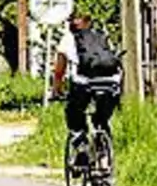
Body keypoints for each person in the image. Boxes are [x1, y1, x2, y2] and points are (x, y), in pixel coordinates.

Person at [52, 11, 123, 165]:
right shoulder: (102, 36)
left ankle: (82, 146)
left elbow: (59, 70)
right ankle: (104, 157)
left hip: (84, 83)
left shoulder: (68, 39)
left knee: (74, 113)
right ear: (89, 22)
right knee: (101, 120)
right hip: (110, 83)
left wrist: (56, 90)